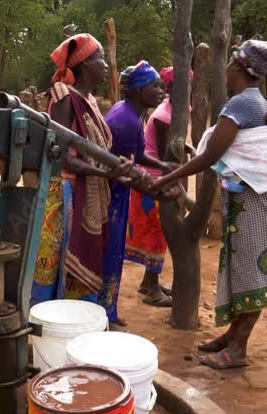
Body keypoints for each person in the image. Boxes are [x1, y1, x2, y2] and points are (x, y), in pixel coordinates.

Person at [151, 40, 267, 369]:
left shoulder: (241, 104)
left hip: (256, 206)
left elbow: (213, 155)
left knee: (251, 273)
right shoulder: (255, 102)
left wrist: (167, 179)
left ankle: (238, 349)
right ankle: (233, 337)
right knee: (243, 269)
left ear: (237, 66)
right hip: (253, 203)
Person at [31, 33, 139, 306]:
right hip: (65, 194)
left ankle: (76, 326)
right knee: (56, 266)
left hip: (88, 192)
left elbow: (96, 153)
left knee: (80, 267)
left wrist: (113, 168)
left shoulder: (90, 101)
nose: (105, 65)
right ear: (84, 64)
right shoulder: (64, 97)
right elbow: (60, 157)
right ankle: (49, 326)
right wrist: (106, 173)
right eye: (99, 58)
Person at [101, 61, 167, 326]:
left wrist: (163, 166)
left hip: (116, 189)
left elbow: (136, 156)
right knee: (111, 251)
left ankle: (107, 310)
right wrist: (158, 185)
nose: (159, 91)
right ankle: (106, 313)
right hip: (112, 194)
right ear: (140, 91)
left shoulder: (130, 112)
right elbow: (125, 166)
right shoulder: (127, 120)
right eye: (154, 86)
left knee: (112, 249)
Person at [124, 66, 193, 309]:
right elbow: (167, 157)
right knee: (157, 232)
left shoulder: (178, 110)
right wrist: (179, 191)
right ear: (172, 88)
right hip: (153, 181)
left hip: (157, 178)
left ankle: (148, 281)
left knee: (159, 232)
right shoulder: (165, 117)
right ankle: (152, 289)